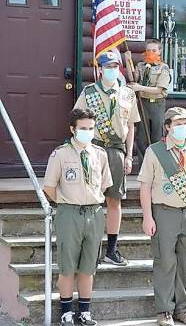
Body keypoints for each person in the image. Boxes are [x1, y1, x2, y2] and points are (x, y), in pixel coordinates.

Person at [139, 107, 186, 326]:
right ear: (168, 126)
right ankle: (164, 311)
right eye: (178, 123)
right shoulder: (155, 151)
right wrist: (147, 217)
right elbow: (145, 186)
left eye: (185, 122)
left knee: (185, 264)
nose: (183, 127)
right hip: (164, 212)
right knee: (165, 262)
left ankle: (183, 309)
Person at [42, 109, 113, 326]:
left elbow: (104, 184)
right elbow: (49, 187)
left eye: (91, 128)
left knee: (88, 267)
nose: (88, 132)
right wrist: (66, 201)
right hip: (69, 213)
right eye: (83, 128)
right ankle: (66, 311)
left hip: (94, 213)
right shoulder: (61, 154)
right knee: (67, 266)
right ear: (73, 129)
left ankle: (84, 311)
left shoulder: (100, 154)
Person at [74, 50, 140, 266]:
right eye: (107, 66)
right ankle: (90, 249)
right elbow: (77, 122)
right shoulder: (89, 92)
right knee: (91, 199)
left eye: (115, 66)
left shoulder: (127, 94)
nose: (111, 70)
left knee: (114, 200)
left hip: (117, 151)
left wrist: (129, 155)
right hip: (94, 149)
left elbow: (131, 127)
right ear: (99, 69)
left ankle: (111, 249)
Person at [127, 39, 171, 165]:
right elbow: (133, 79)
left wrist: (139, 88)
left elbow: (159, 89)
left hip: (156, 104)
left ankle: (157, 165)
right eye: (148, 50)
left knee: (157, 135)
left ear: (159, 52)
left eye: (154, 50)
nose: (150, 52)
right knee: (142, 137)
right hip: (142, 103)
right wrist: (128, 60)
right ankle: (144, 166)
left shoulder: (164, 68)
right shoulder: (141, 65)